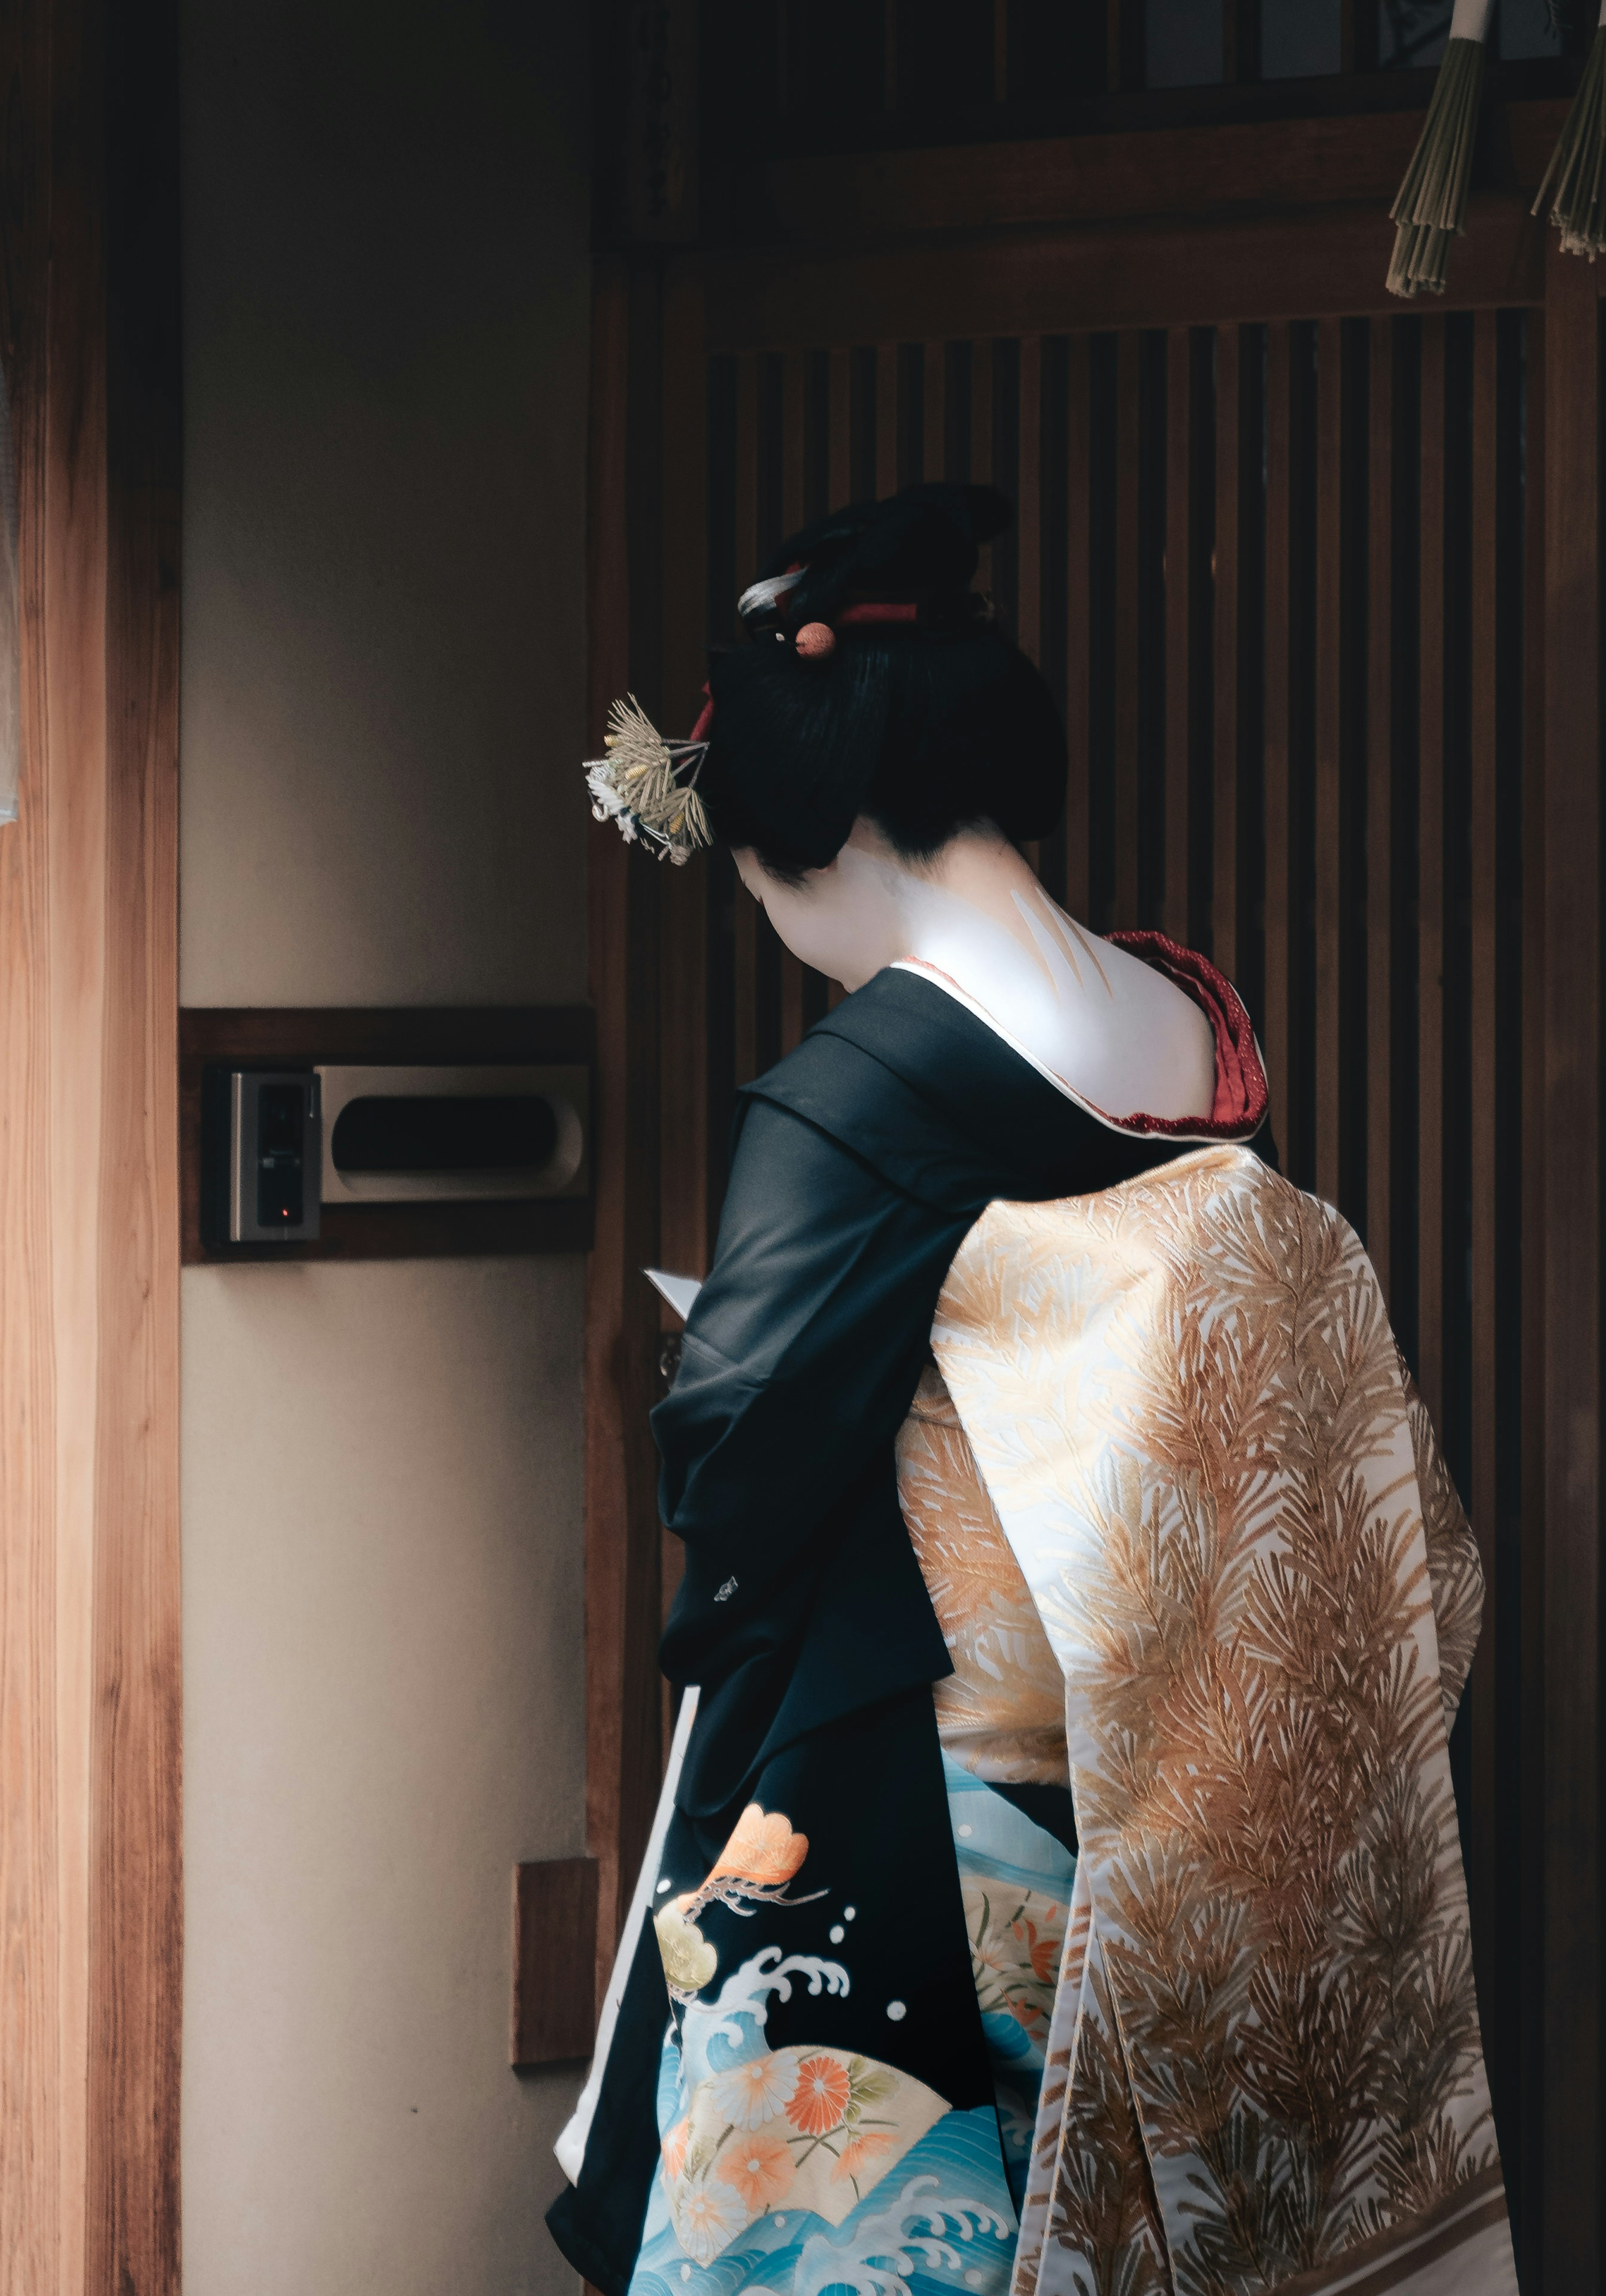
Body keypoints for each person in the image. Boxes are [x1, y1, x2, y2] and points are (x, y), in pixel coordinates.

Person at [549, 485, 1517, 2296]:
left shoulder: (866, 1084)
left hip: (936, 1794)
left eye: (758, 874)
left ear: (815, 818)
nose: (772, 916)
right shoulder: (1183, 1021)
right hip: (1177, 1785)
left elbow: (739, 1460)